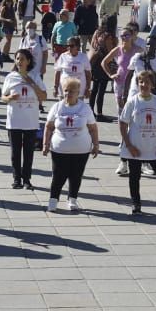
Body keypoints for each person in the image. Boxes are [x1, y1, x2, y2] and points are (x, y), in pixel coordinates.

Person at [120, 70, 156, 217]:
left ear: (153, 85)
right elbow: (123, 123)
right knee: (134, 177)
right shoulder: (132, 102)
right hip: (136, 147)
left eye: (147, 82)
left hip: (154, 147)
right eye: (141, 82)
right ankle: (136, 205)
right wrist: (129, 145)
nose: (144, 85)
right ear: (137, 84)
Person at [42, 76, 98, 212]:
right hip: (59, 149)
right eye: (66, 90)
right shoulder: (57, 107)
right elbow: (48, 126)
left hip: (81, 150)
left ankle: (72, 199)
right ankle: (53, 200)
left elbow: (92, 128)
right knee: (58, 176)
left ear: (78, 92)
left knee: (76, 175)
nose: (68, 93)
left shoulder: (85, 108)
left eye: (72, 90)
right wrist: (45, 144)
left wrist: (96, 145)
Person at [1, 47, 46, 191]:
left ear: (28, 61)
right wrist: (9, 98)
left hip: (30, 121)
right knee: (15, 152)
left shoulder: (35, 75)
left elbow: (43, 96)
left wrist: (30, 82)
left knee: (28, 152)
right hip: (14, 120)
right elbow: (3, 97)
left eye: (22, 59)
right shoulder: (10, 77)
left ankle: (27, 179)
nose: (19, 61)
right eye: (17, 58)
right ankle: (16, 179)